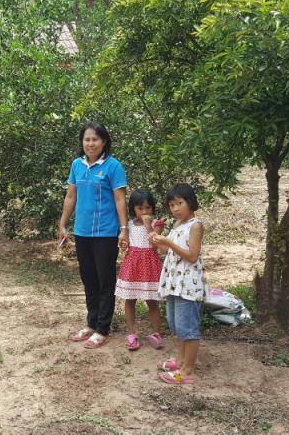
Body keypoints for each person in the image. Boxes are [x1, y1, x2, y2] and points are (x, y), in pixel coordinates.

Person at [58, 122, 128, 349]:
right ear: (82, 142)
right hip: (82, 231)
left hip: (106, 232)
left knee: (104, 280)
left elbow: (120, 199)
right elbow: (71, 197)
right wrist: (63, 224)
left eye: (95, 139)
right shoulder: (76, 165)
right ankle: (91, 323)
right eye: (87, 139)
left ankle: (103, 328)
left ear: (104, 142)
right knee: (88, 278)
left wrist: (124, 229)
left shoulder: (113, 166)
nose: (90, 143)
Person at [151, 183, 207, 384]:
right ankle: (181, 361)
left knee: (188, 329)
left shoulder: (195, 225)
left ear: (190, 202)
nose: (175, 209)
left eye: (179, 203)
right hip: (175, 283)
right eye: (171, 205)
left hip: (188, 286)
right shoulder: (177, 225)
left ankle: (188, 371)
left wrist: (168, 242)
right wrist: (159, 241)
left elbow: (192, 256)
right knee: (177, 326)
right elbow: (168, 252)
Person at [114, 189, 167, 351]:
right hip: (132, 267)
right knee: (130, 301)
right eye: (140, 208)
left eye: (148, 208)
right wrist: (124, 244)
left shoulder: (157, 224)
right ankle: (131, 334)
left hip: (150, 267)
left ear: (153, 208)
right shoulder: (128, 226)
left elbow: (154, 242)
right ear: (133, 209)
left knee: (152, 301)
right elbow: (125, 245)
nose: (145, 211)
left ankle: (157, 333)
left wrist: (148, 225)